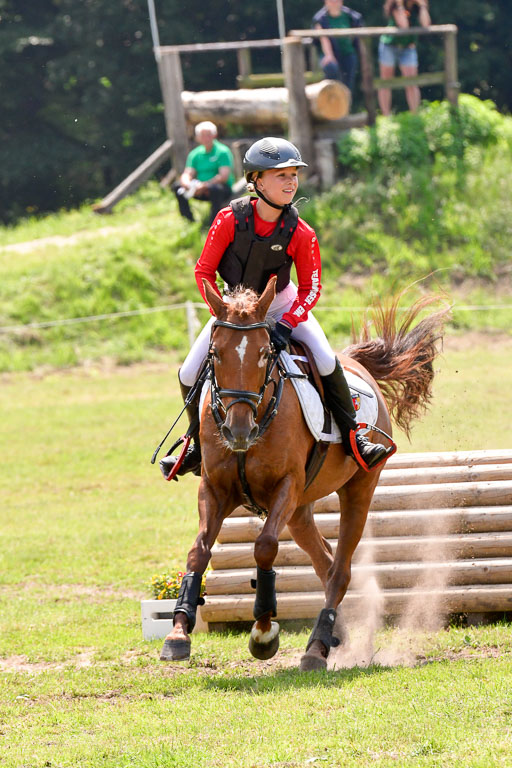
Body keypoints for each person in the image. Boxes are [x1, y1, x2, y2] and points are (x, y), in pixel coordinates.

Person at [161, 137, 388, 481]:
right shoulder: (227, 220)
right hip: (233, 312)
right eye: (281, 174)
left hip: (281, 306)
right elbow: (203, 272)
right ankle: (194, 442)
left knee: (326, 360)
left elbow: (311, 288)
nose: (291, 182)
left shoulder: (301, 231)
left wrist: (287, 323)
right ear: (256, 181)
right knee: (188, 372)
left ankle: (355, 437)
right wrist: (223, 312)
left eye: (294, 174)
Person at [173, 121, 235, 225]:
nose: (205, 138)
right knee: (177, 187)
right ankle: (189, 220)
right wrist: (188, 184)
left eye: (208, 135)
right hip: (198, 188)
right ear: (197, 137)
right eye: (202, 135)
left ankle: (214, 223)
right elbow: (187, 173)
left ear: (214, 135)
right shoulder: (195, 154)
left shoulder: (222, 151)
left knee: (215, 189)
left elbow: (223, 176)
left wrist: (204, 186)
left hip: (219, 189)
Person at [378, 0, 431, 115]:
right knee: (386, 82)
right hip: (389, 46)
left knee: (411, 82)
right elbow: (404, 25)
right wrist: (400, 5)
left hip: (408, 47)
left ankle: (415, 115)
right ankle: (386, 116)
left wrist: (422, 6)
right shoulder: (395, 6)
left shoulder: (417, 7)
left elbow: (426, 24)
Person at [312, 0, 363, 93]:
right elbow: (323, 38)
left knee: (347, 87)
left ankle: (346, 106)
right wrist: (329, 55)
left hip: (348, 53)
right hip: (328, 56)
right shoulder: (320, 19)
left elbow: (357, 32)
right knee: (331, 69)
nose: (334, 2)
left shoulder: (351, 16)